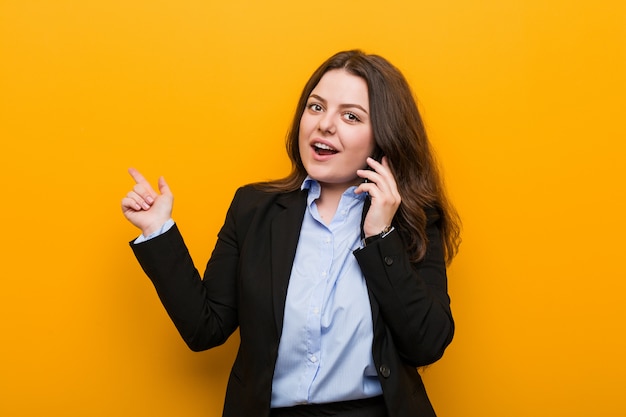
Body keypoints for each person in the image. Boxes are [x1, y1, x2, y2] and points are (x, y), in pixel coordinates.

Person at [121, 49, 461, 417]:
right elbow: (206, 328)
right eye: (316, 107)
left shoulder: (414, 217)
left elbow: (427, 344)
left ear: (384, 137)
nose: (325, 125)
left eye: (350, 116)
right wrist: (158, 231)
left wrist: (381, 235)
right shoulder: (253, 209)